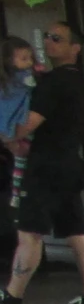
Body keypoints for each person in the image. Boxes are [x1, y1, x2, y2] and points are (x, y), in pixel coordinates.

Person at [1, 23, 84, 304]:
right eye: (46, 36)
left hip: (45, 167)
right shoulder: (72, 80)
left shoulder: (52, 83)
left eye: (57, 38)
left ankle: (12, 296)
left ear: (75, 48)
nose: (49, 42)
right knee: (77, 232)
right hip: (68, 164)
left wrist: (7, 137)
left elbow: (25, 126)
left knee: (29, 232)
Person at [0, 37, 32, 258]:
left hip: (15, 133)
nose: (28, 62)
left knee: (19, 163)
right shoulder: (19, 82)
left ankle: (16, 195)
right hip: (16, 131)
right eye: (23, 58)